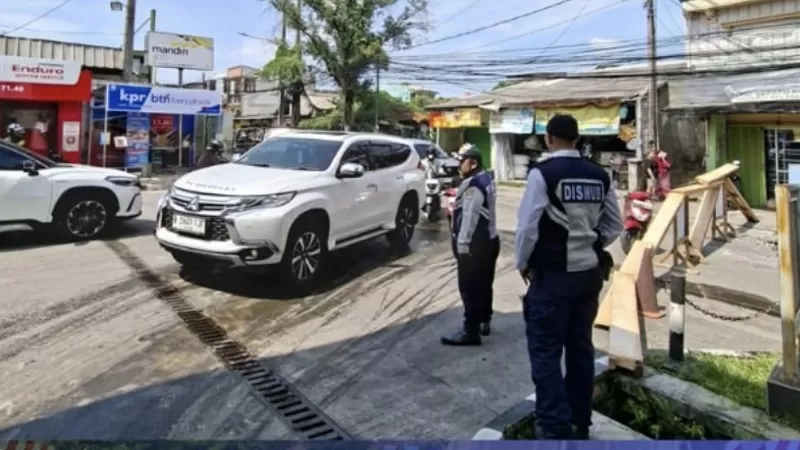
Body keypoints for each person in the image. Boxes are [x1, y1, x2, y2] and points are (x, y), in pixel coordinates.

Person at [515, 114, 623, 440]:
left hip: (553, 279)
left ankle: (552, 426)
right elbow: (614, 225)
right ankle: (580, 421)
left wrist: (522, 262)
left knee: (546, 352)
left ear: (549, 139)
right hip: (588, 276)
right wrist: (590, 242)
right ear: (577, 139)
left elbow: (527, 228)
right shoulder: (599, 174)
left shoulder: (542, 174)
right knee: (580, 350)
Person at [442, 144, 499, 346]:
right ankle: (485, 318)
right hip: (490, 239)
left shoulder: (474, 185)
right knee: (484, 283)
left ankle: (470, 331)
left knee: (468, 287)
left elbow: (469, 217)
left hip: (475, 244)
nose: (458, 165)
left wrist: (462, 245)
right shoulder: (487, 178)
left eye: (461, 161)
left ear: (472, 162)